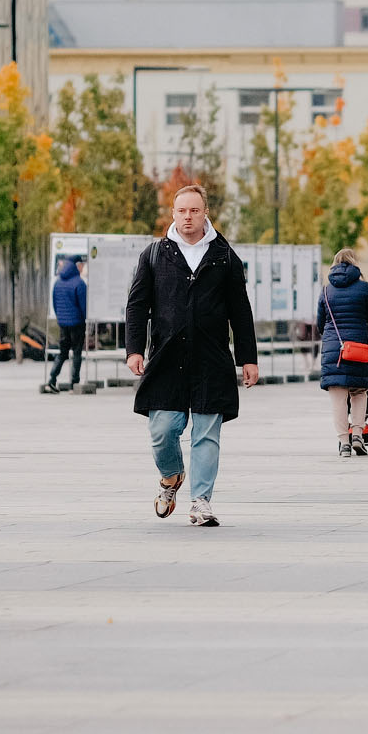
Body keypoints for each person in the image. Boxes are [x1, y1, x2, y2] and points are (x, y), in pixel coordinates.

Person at [124, 185, 259, 527]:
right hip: (167, 357)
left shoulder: (224, 256)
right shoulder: (155, 255)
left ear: (205, 213)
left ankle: (201, 501)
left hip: (211, 358)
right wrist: (134, 349)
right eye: (182, 211)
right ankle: (171, 475)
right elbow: (137, 305)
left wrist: (248, 358)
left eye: (194, 211)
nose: (188, 217)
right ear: (173, 214)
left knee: (206, 433)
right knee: (162, 430)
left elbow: (240, 310)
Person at [318, 248, 368, 457]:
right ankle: (357, 436)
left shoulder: (326, 290)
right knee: (359, 392)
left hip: (334, 351)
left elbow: (320, 323)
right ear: (355, 263)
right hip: (358, 348)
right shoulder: (364, 288)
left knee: (338, 398)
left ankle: (344, 443)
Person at [43, 255, 88, 393]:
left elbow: (55, 304)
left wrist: (60, 318)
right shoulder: (79, 283)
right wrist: (85, 319)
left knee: (62, 352)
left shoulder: (58, 282)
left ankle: (51, 380)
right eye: (82, 265)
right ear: (77, 265)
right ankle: (74, 383)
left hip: (63, 323)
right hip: (77, 323)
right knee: (77, 353)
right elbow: (84, 306)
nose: (83, 268)